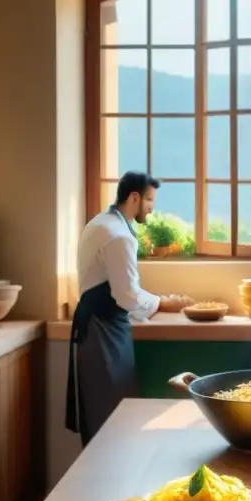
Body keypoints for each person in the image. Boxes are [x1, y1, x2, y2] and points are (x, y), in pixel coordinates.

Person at [66, 171, 193, 446]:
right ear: (134, 197)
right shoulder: (120, 236)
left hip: (94, 327)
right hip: (104, 332)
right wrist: (164, 302)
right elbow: (127, 296)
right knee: (112, 418)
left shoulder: (99, 222)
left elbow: (114, 288)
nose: (151, 207)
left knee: (102, 414)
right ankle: (108, 486)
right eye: (149, 200)